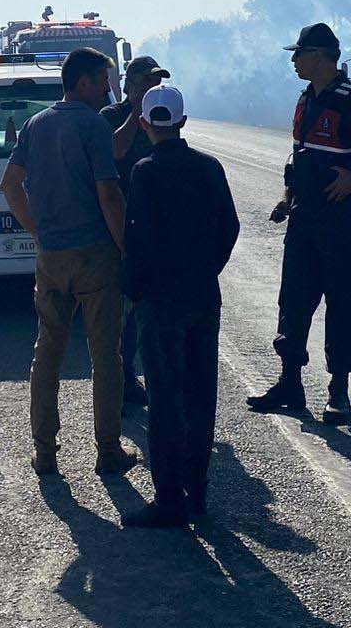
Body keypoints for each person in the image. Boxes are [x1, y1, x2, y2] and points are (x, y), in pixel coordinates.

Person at [248, 22, 351, 417]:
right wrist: (287, 197)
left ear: (319, 56)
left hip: (342, 222)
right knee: (294, 302)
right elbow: (299, 155)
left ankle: (339, 390)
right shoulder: (306, 97)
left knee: (341, 303)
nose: (293, 61)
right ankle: (290, 384)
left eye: (298, 54)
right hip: (304, 219)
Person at [1, 47, 140, 478]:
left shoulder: (36, 124)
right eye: (102, 81)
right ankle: (108, 449)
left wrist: (38, 232)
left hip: (51, 258)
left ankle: (44, 452)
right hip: (95, 257)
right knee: (106, 357)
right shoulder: (93, 124)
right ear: (83, 82)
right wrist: (126, 249)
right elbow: (109, 194)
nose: (106, 88)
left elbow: (10, 186)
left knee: (48, 354)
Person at [119, 84, 239, 529]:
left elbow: (138, 238)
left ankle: (169, 499)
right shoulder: (210, 168)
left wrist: (133, 289)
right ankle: (197, 492)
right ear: (183, 122)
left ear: (147, 123)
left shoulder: (145, 172)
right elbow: (229, 226)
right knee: (200, 394)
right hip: (202, 296)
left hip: (160, 301)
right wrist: (207, 269)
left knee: (165, 400)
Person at [100, 55, 170, 409]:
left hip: (156, 224)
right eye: (145, 82)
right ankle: (123, 376)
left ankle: (154, 375)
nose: (152, 88)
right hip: (120, 225)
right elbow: (116, 149)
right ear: (128, 86)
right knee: (123, 309)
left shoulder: (162, 117)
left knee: (155, 307)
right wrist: (135, 112)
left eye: (156, 83)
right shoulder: (110, 117)